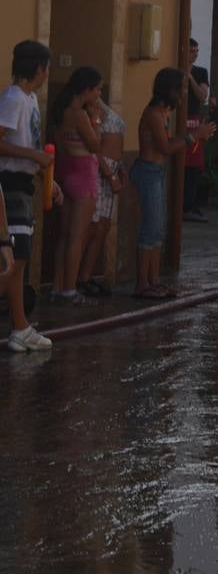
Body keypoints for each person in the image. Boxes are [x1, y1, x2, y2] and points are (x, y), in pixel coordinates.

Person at [131, 68, 216, 299]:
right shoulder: (154, 114)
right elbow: (165, 148)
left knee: (157, 229)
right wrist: (194, 136)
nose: (183, 94)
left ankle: (154, 280)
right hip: (148, 171)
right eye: (181, 89)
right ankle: (142, 284)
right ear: (170, 90)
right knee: (150, 229)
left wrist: (194, 136)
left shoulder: (163, 113)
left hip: (156, 171)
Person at [0, 41, 56, 351]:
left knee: (19, 261)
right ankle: (19, 327)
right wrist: (34, 155)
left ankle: (20, 327)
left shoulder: (30, 100)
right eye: (46, 68)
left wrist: (46, 176)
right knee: (14, 260)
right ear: (38, 68)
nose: (48, 74)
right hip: (9, 185)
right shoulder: (13, 100)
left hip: (24, 182)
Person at [49, 67, 104, 305]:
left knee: (64, 234)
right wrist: (96, 119)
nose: (100, 94)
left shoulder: (59, 111)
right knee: (77, 236)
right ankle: (69, 290)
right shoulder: (80, 115)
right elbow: (95, 145)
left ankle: (56, 286)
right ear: (87, 90)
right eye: (98, 89)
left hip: (65, 170)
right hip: (84, 175)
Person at [76, 94, 125, 298]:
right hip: (100, 170)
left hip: (111, 169)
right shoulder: (87, 113)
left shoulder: (102, 107)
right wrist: (110, 174)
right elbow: (94, 148)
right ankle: (77, 279)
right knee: (92, 226)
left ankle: (86, 276)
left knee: (103, 226)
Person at [182, 38, 211, 224]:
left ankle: (189, 206)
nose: (194, 54)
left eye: (196, 51)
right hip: (179, 120)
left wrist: (190, 76)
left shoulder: (201, 72)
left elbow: (202, 96)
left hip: (194, 120)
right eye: (191, 51)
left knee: (194, 164)